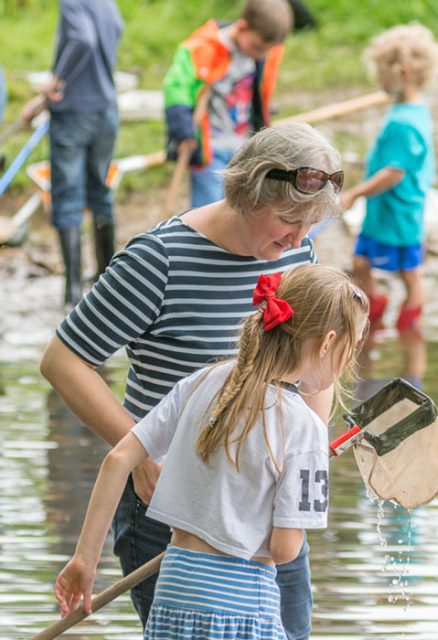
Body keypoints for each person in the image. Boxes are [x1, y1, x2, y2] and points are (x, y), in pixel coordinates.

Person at [40, 121, 344, 639]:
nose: (298, 236)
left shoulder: (297, 255)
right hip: (170, 502)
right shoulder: (158, 259)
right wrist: (142, 458)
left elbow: (315, 364)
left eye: (310, 224)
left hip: (270, 504)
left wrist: (311, 440)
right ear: (247, 191)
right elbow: (63, 360)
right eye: (289, 218)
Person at [53, 263, 369, 639]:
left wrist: (84, 560)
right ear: (328, 342)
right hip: (241, 606)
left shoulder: (204, 380)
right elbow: (285, 549)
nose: (348, 364)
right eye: (351, 349)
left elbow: (118, 460)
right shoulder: (305, 428)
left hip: (175, 590)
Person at [340, 24, 438, 332]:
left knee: (409, 271)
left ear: (402, 72)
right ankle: (375, 307)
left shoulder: (404, 122)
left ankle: (409, 327)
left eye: (381, 72)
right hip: (386, 211)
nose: (379, 79)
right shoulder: (411, 108)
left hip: (398, 212)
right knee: (362, 261)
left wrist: (356, 193)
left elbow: (394, 173)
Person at [23, 0, 123, 308]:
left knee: (67, 197)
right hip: (106, 109)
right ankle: (106, 283)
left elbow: (83, 39)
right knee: (100, 193)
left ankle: (72, 293)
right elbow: (114, 31)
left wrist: (56, 81)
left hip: (73, 114)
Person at [163, 0, 293, 208]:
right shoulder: (204, 49)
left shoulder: (262, 53)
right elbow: (176, 88)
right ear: (242, 27)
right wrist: (182, 129)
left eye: (265, 51)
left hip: (243, 145)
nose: (260, 55)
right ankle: (205, 241)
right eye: (257, 48)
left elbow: (259, 93)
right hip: (209, 147)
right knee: (209, 207)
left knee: (243, 206)